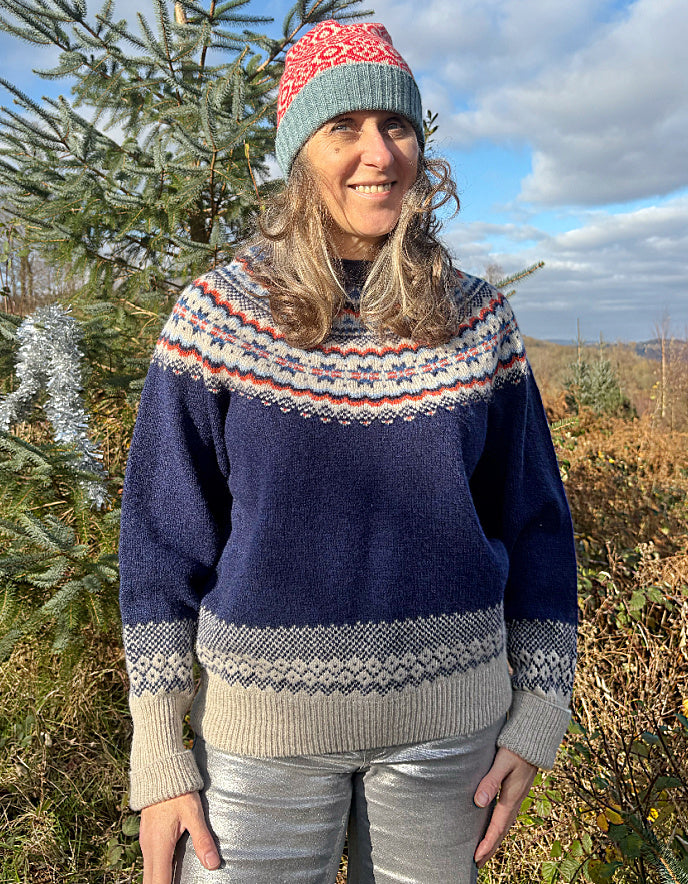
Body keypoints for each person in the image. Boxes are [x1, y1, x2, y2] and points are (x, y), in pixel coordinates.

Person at [119, 20, 578, 884]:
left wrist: (538, 712)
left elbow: (537, 523)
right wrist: (159, 753)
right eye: (345, 128)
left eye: (396, 125)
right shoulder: (218, 318)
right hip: (259, 747)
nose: (380, 152)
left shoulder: (477, 319)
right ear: (301, 154)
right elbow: (160, 546)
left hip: (453, 744)